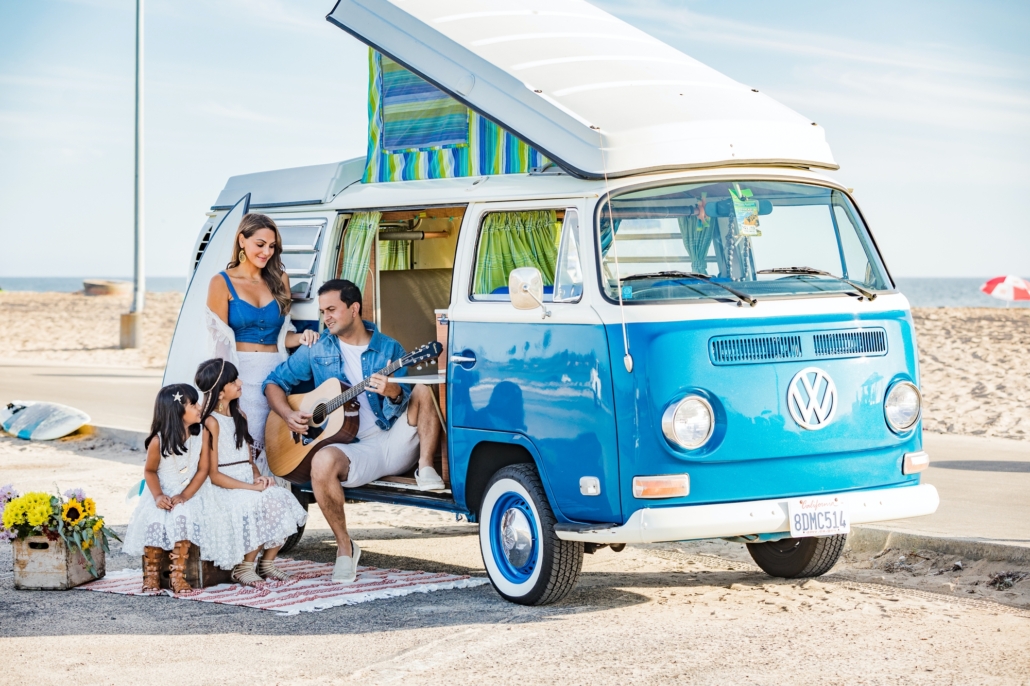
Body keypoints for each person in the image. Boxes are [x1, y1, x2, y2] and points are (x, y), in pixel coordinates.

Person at [263, 279, 444, 583]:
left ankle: (425, 467)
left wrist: (393, 392)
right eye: (322, 312)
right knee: (321, 461)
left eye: (332, 309)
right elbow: (273, 383)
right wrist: (289, 414)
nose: (326, 318)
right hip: (354, 448)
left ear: (354, 308)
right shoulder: (318, 348)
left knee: (423, 389)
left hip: (392, 439)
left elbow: (403, 399)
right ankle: (345, 549)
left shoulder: (388, 348)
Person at [205, 212, 318, 477]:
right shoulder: (221, 282)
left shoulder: (280, 279)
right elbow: (217, 343)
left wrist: (302, 338)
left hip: (275, 376)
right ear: (242, 241)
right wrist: (224, 389)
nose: (267, 252)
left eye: (272, 246)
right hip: (240, 376)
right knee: (242, 450)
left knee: (275, 448)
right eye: (260, 244)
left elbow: (283, 335)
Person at [196, 358, 308, 586]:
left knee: (280, 497)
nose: (240, 382)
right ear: (219, 392)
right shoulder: (210, 423)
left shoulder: (241, 417)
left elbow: (249, 460)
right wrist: (251, 488)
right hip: (224, 487)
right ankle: (244, 567)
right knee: (259, 502)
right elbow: (213, 475)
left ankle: (267, 564)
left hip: (247, 480)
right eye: (233, 380)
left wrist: (259, 477)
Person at [123, 383, 212, 594]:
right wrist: (158, 496)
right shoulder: (158, 441)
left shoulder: (202, 435)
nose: (199, 407)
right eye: (193, 404)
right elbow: (150, 472)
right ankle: (152, 575)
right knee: (155, 520)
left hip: (191, 492)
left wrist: (184, 495)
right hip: (161, 492)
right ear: (177, 411)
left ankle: (177, 576)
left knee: (182, 517)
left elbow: (203, 469)